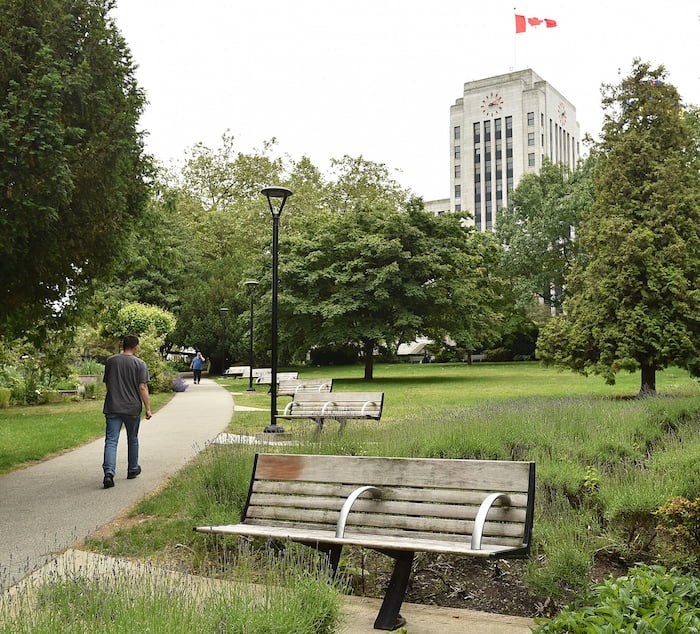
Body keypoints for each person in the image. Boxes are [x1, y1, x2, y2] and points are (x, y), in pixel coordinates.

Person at [102, 334, 152, 489]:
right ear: (135, 346)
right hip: (132, 408)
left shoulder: (111, 361)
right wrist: (148, 408)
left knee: (111, 440)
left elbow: (108, 383)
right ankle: (132, 469)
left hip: (113, 406)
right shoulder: (140, 364)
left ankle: (109, 473)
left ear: (123, 346)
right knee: (132, 438)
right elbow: (142, 387)